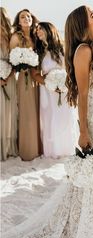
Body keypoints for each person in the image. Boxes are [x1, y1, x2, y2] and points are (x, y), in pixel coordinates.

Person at [1, 5, 93, 238]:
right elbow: (84, 94)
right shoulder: (83, 51)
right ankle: (86, 220)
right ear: (81, 24)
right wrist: (84, 131)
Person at [33, 22, 77, 158]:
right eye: (36, 30)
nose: (37, 31)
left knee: (66, 116)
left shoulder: (64, 47)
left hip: (65, 89)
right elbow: (35, 75)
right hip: (47, 90)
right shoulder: (38, 51)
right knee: (50, 118)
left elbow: (71, 69)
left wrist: (65, 84)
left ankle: (68, 148)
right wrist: (50, 83)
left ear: (49, 30)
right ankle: (53, 151)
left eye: (40, 28)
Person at [10, 9, 41, 161]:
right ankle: (28, 150)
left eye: (28, 16)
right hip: (25, 78)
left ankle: (39, 147)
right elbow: (11, 60)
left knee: (38, 111)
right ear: (18, 21)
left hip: (38, 78)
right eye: (22, 16)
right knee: (27, 112)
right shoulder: (16, 37)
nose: (26, 18)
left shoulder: (36, 36)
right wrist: (22, 63)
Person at [0, 7, 18, 160]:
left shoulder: (12, 39)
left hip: (10, 80)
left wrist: (8, 75)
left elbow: (15, 63)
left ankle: (9, 147)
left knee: (10, 112)